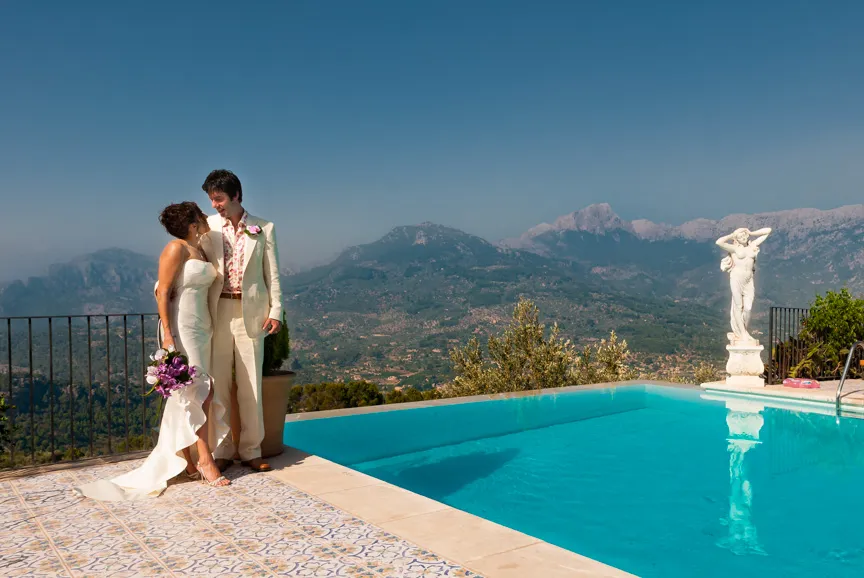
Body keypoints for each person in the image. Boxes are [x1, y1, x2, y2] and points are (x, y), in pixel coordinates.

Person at [75, 202, 231, 501]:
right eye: (200, 215)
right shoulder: (176, 248)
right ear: (192, 223)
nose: (204, 217)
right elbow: (163, 291)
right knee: (199, 391)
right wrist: (169, 335)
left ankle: (187, 458)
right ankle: (204, 459)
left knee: (199, 391)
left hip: (202, 325)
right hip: (183, 325)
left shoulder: (198, 248)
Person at [199, 169, 282, 473]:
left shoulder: (264, 227)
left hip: (252, 313)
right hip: (217, 311)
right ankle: (221, 450)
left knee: (250, 385)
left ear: (235, 196)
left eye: (219, 198)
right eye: (211, 199)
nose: (215, 205)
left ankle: (251, 450)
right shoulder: (207, 227)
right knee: (217, 382)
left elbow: (271, 273)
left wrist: (276, 311)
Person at [715, 227, 772, 344]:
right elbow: (719, 242)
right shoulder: (734, 248)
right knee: (738, 306)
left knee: (748, 308)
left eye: (744, 235)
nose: (743, 237)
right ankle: (743, 334)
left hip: (749, 279)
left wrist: (751, 232)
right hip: (736, 278)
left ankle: (742, 331)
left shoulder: (752, 246)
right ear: (737, 238)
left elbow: (768, 231)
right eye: (740, 236)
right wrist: (732, 235)